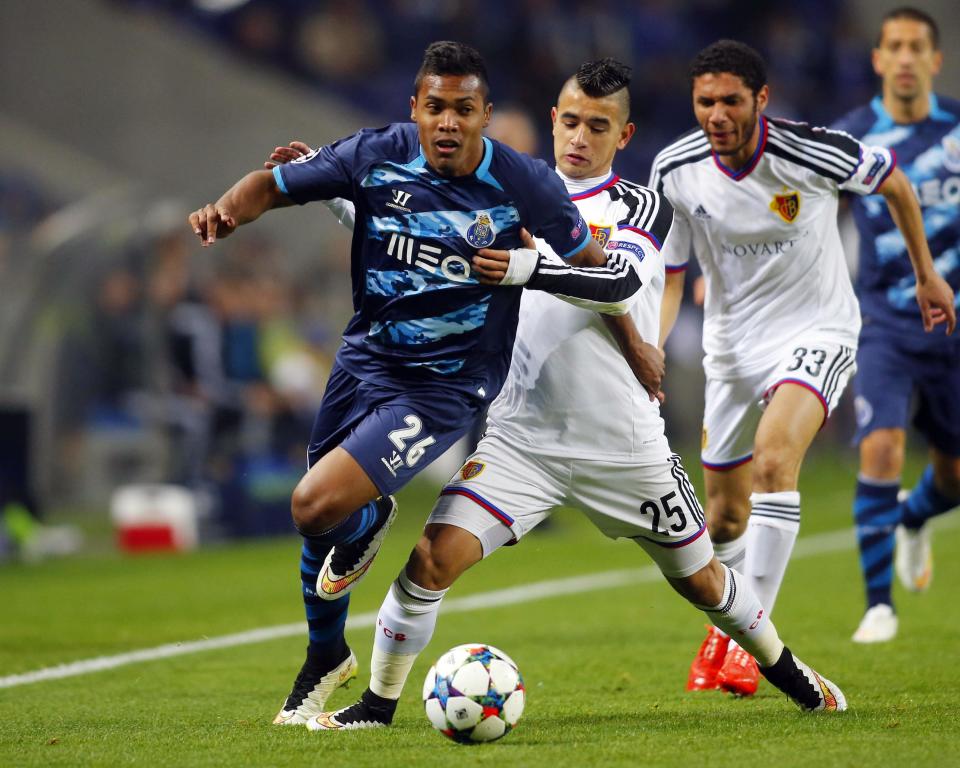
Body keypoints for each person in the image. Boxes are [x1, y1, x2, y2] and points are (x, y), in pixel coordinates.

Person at [288, 58, 846, 731]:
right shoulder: (501, 188)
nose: (581, 136)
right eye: (572, 121)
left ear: (624, 134)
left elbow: (617, 285)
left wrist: (526, 266)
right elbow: (410, 237)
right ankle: (377, 707)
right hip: (524, 439)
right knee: (430, 562)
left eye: (599, 126)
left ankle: (789, 671)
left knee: (702, 582)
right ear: (554, 121)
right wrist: (331, 194)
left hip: (623, 445)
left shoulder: (639, 205)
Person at [189, 41, 651, 727]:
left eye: (463, 109)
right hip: (366, 358)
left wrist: (636, 344)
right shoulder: (375, 153)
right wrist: (226, 209)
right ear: (415, 108)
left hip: (446, 385)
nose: (447, 122)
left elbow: (601, 272)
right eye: (435, 106)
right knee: (319, 518)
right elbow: (271, 186)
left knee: (315, 503)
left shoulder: (524, 185)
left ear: (484, 115)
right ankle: (324, 655)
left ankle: (371, 518)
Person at [650, 40, 955, 695]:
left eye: (732, 100)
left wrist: (926, 275)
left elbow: (895, 181)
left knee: (772, 464)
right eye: (706, 101)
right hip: (731, 348)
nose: (717, 113)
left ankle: (749, 645)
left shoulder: (809, 150)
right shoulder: (675, 168)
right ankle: (725, 629)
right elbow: (671, 273)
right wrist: (652, 345)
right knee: (725, 519)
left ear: (761, 99)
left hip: (817, 330)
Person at [831, 8, 960, 644]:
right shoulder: (852, 137)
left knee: (954, 476)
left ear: (935, 61)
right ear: (878, 59)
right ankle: (878, 604)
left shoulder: (959, 127)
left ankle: (912, 517)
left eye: (917, 47)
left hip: (956, 327)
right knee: (882, 444)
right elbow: (804, 216)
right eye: (894, 47)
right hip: (882, 320)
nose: (906, 58)